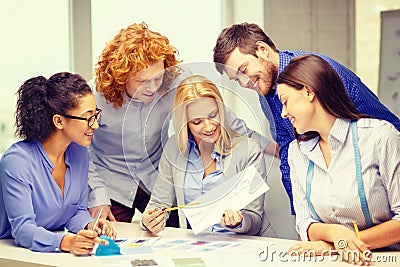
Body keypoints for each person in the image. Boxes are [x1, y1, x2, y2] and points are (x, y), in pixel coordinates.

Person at [88, 22, 272, 224]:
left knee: (176, 231)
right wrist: (96, 194)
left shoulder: (176, 79)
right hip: (111, 183)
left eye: (157, 78)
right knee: (111, 241)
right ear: (121, 76)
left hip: (156, 176)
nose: (152, 87)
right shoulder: (95, 97)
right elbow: (77, 149)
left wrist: (273, 148)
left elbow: (222, 117)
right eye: (142, 82)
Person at [213, 22, 400, 214]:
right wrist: (302, 219)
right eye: (236, 79)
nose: (244, 83)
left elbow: (383, 129)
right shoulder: (265, 92)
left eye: (243, 70)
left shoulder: (320, 73)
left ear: (262, 50)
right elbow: (287, 150)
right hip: (331, 214)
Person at [277, 55, 400, 264]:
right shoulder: (296, 152)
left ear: (308, 92)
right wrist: (334, 233)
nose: (283, 113)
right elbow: (305, 223)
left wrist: (337, 244)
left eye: (285, 102)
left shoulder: (379, 136)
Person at [141, 75, 276, 237]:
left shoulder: (249, 150)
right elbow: (158, 203)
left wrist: (239, 221)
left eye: (213, 115)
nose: (208, 127)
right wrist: (149, 220)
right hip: (196, 246)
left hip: (244, 246)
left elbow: (255, 219)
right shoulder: (173, 149)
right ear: (185, 123)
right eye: (197, 122)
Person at [0, 72, 116, 254]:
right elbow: (22, 229)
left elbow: (74, 211)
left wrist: (90, 225)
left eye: (96, 115)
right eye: (88, 117)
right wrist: (67, 242)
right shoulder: (17, 161)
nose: (95, 125)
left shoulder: (79, 154)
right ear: (59, 121)